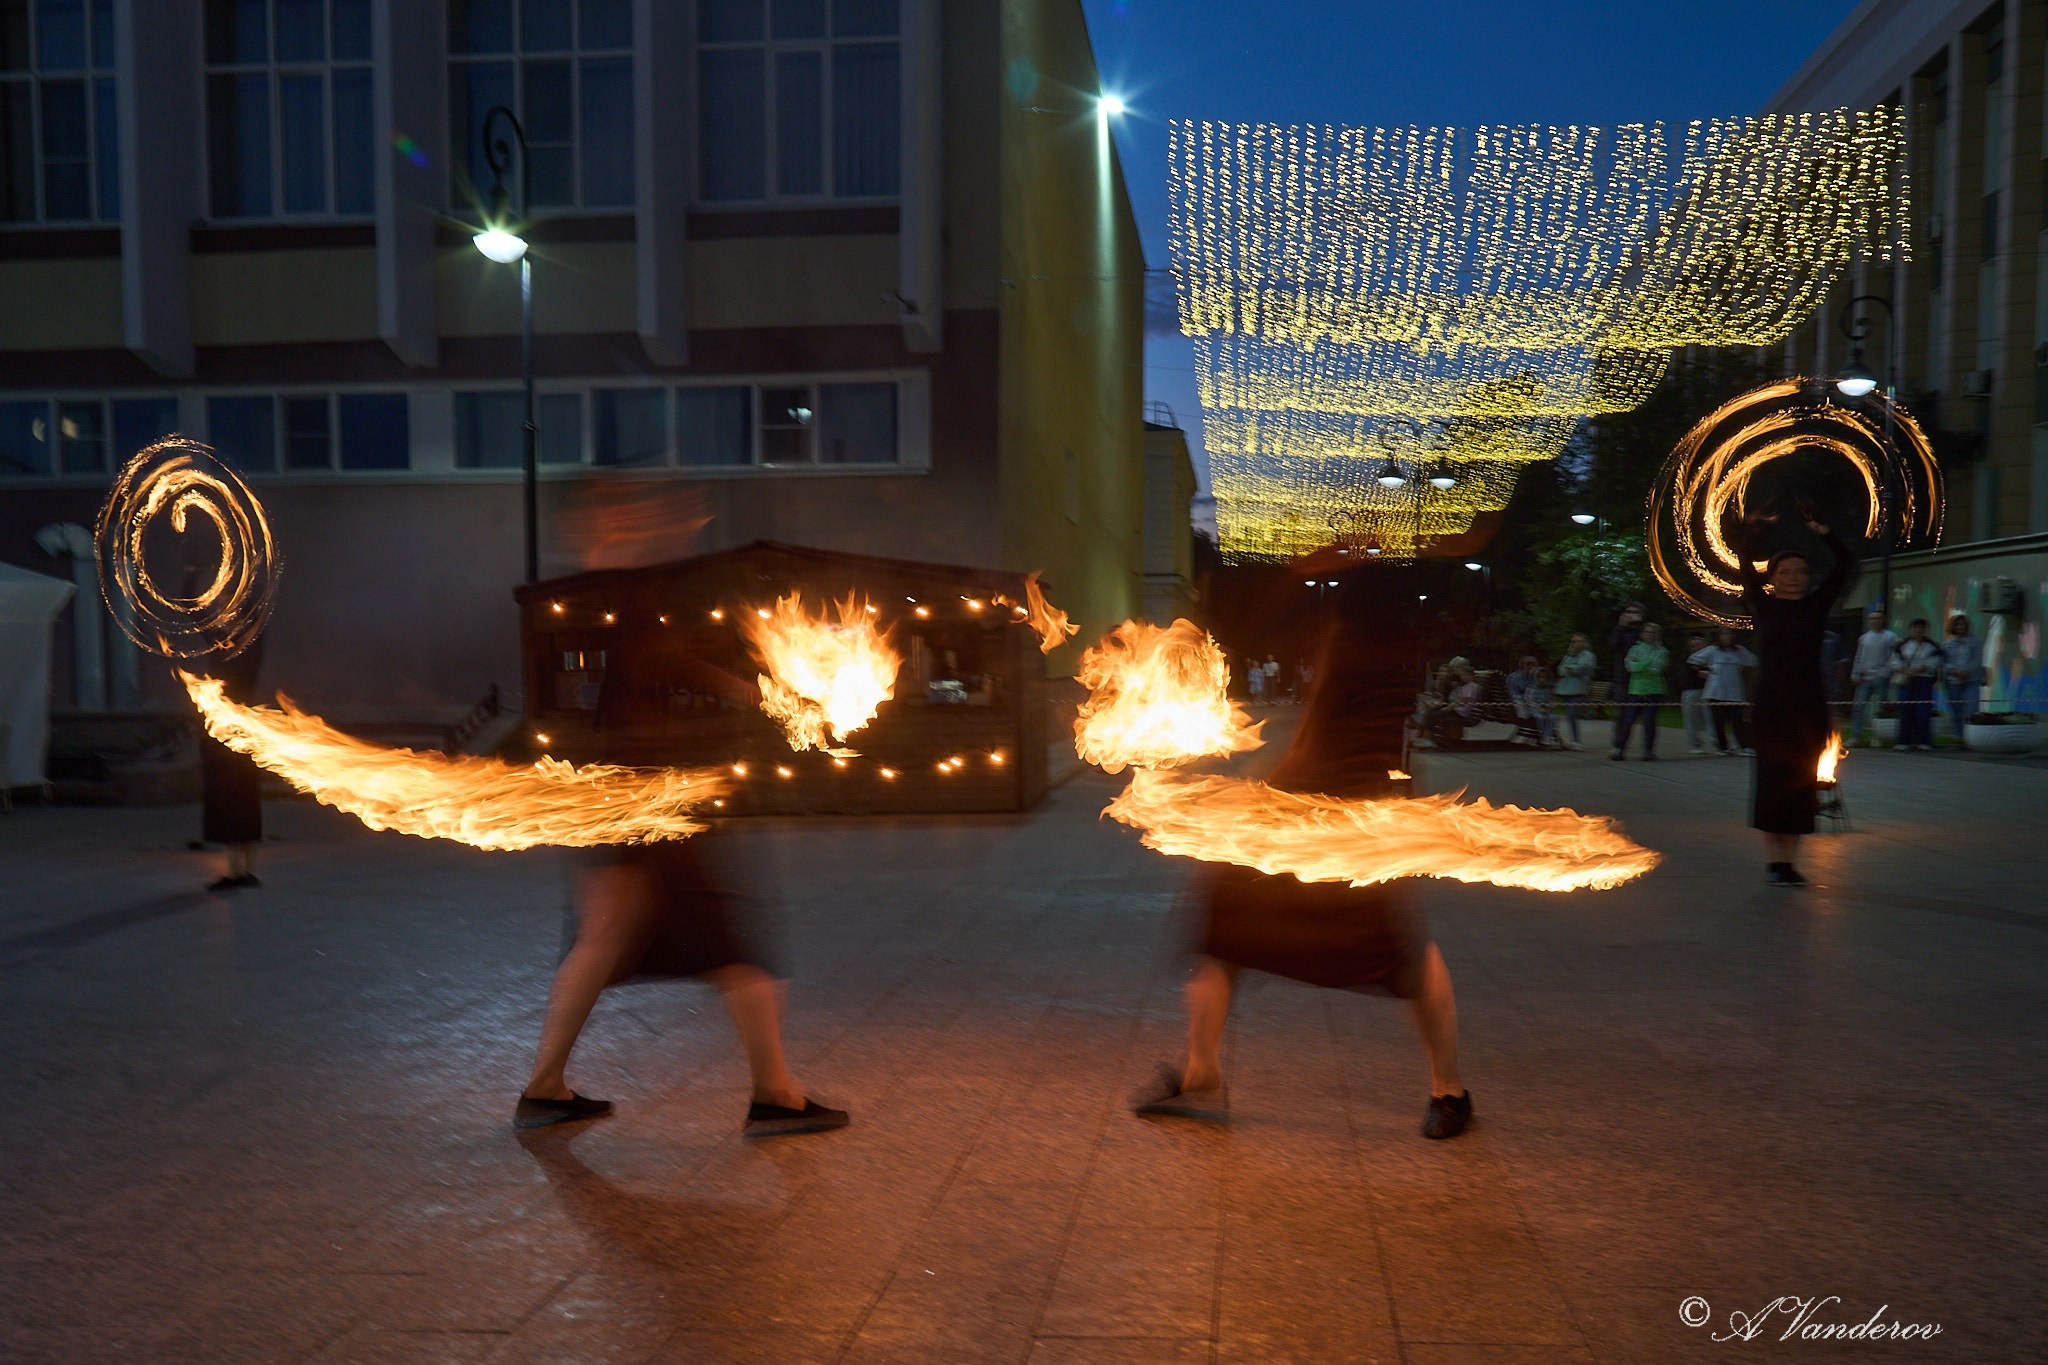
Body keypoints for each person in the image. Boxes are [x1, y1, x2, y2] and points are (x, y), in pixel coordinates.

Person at [1133, 576, 1471, 1139]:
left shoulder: (1367, 645)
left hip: (1339, 824)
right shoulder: (1374, 642)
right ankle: (1200, 1068)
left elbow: (1353, 742)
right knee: (1224, 929)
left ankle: (1450, 1090)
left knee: (1399, 953)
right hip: (1303, 815)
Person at [518, 839, 850, 1138]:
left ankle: (545, 1086)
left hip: (617, 798)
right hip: (650, 802)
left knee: (604, 930)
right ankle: (775, 1094)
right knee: (722, 942)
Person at [1735, 501, 1854, 888]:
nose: (1793, 577)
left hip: (1808, 706)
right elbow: (1744, 564)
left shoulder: (1816, 607)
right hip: (1771, 707)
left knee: (1803, 784)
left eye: (1800, 572)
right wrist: (1758, 533)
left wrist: (1824, 532)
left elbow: (1846, 564)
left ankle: (1790, 862)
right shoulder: (1764, 606)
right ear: (1773, 577)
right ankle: (1774, 861)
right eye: (1785, 572)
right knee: (1772, 783)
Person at [198, 640, 266, 891]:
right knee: (244, 806)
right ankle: (245, 870)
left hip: (228, 747)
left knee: (231, 808)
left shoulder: (231, 674)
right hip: (242, 741)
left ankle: (237, 873)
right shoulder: (248, 656)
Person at [1688, 628, 1758, 755]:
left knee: (1738, 721)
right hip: (1716, 692)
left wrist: (1743, 669)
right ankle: (1723, 747)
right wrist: (1707, 669)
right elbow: (1693, 659)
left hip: (1735, 692)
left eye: (1729, 634)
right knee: (1718, 721)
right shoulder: (1713, 650)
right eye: (1724, 634)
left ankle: (1745, 746)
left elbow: (1753, 661)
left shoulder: (1740, 651)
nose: (1726, 637)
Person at [1613, 622, 1669, 760]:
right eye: (1647, 632)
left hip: (1654, 691)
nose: (1649, 635)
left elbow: (1658, 668)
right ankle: (1620, 749)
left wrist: (1640, 665)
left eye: (1652, 632)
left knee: (1649, 721)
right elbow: (1630, 666)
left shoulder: (1662, 651)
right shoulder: (1635, 649)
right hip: (1635, 690)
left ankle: (1648, 751)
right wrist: (1646, 664)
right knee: (1628, 721)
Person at [1847, 608, 1899, 745]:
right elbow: (1859, 657)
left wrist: (1885, 673)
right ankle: (1856, 736)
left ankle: (1878, 737)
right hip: (1865, 677)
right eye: (1873, 619)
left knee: (1881, 708)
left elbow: (1893, 657)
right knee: (1858, 707)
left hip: (1882, 677)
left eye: (1878, 618)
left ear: (1883, 620)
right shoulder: (1864, 638)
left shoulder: (1890, 636)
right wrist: (1855, 673)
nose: (1875, 621)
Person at [1892, 618, 1943, 751]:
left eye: (1921, 627)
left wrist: (1917, 670)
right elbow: (1894, 661)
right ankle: (1903, 741)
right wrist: (1905, 670)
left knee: (1923, 711)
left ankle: (1924, 741)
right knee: (1905, 710)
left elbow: (1934, 663)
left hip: (1924, 680)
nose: (1918, 630)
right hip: (1906, 680)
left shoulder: (1932, 646)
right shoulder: (1903, 645)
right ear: (1911, 629)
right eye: (1916, 627)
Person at [1941, 614, 1984, 743]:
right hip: (1952, 680)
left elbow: (1977, 659)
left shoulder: (1975, 641)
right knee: (1956, 710)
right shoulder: (1947, 643)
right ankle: (1959, 737)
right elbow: (1943, 662)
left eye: (1963, 624)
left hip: (1971, 679)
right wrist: (1955, 671)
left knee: (1971, 708)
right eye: (1957, 624)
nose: (1960, 626)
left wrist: (1966, 672)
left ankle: (1972, 737)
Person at [1421, 659, 1481, 748]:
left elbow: (1463, 700)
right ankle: (1426, 738)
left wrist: (1449, 707)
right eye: (1462, 675)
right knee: (1430, 713)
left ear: (1472, 676)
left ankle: (1427, 739)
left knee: (1434, 715)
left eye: (1466, 675)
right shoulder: (1465, 686)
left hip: (1461, 712)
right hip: (1457, 709)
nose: (1463, 677)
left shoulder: (1473, 686)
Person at [1554, 633, 1595, 750]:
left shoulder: (1588, 656)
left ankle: (1576, 741)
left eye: (1579, 641)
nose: (1576, 643)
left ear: (1584, 643)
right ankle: (1560, 739)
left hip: (1578, 690)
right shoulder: (1568, 656)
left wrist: (1571, 669)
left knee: (1572, 714)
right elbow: (1560, 670)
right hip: (1565, 689)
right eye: (1574, 641)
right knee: (1567, 715)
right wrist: (1571, 669)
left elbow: (1583, 669)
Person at [1679, 633, 1711, 754]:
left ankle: (1718, 744)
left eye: (1699, 645)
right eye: (1693, 646)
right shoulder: (1688, 660)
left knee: (1710, 719)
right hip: (1691, 691)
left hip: (1707, 692)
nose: (1696, 648)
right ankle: (1695, 745)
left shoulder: (1709, 660)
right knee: (1691, 719)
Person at [1506, 654, 1543, 745]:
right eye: (1528, 664)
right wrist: (1527, 700)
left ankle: (1535, 735)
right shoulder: (1515, 677)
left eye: (1534, 664)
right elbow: (1513, 694)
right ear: (1522, 665)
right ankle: (1528, 734)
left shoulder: (1538, 678)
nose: (1531, 666)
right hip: (1518, 704)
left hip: (1534, 703)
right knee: (1530, 711)